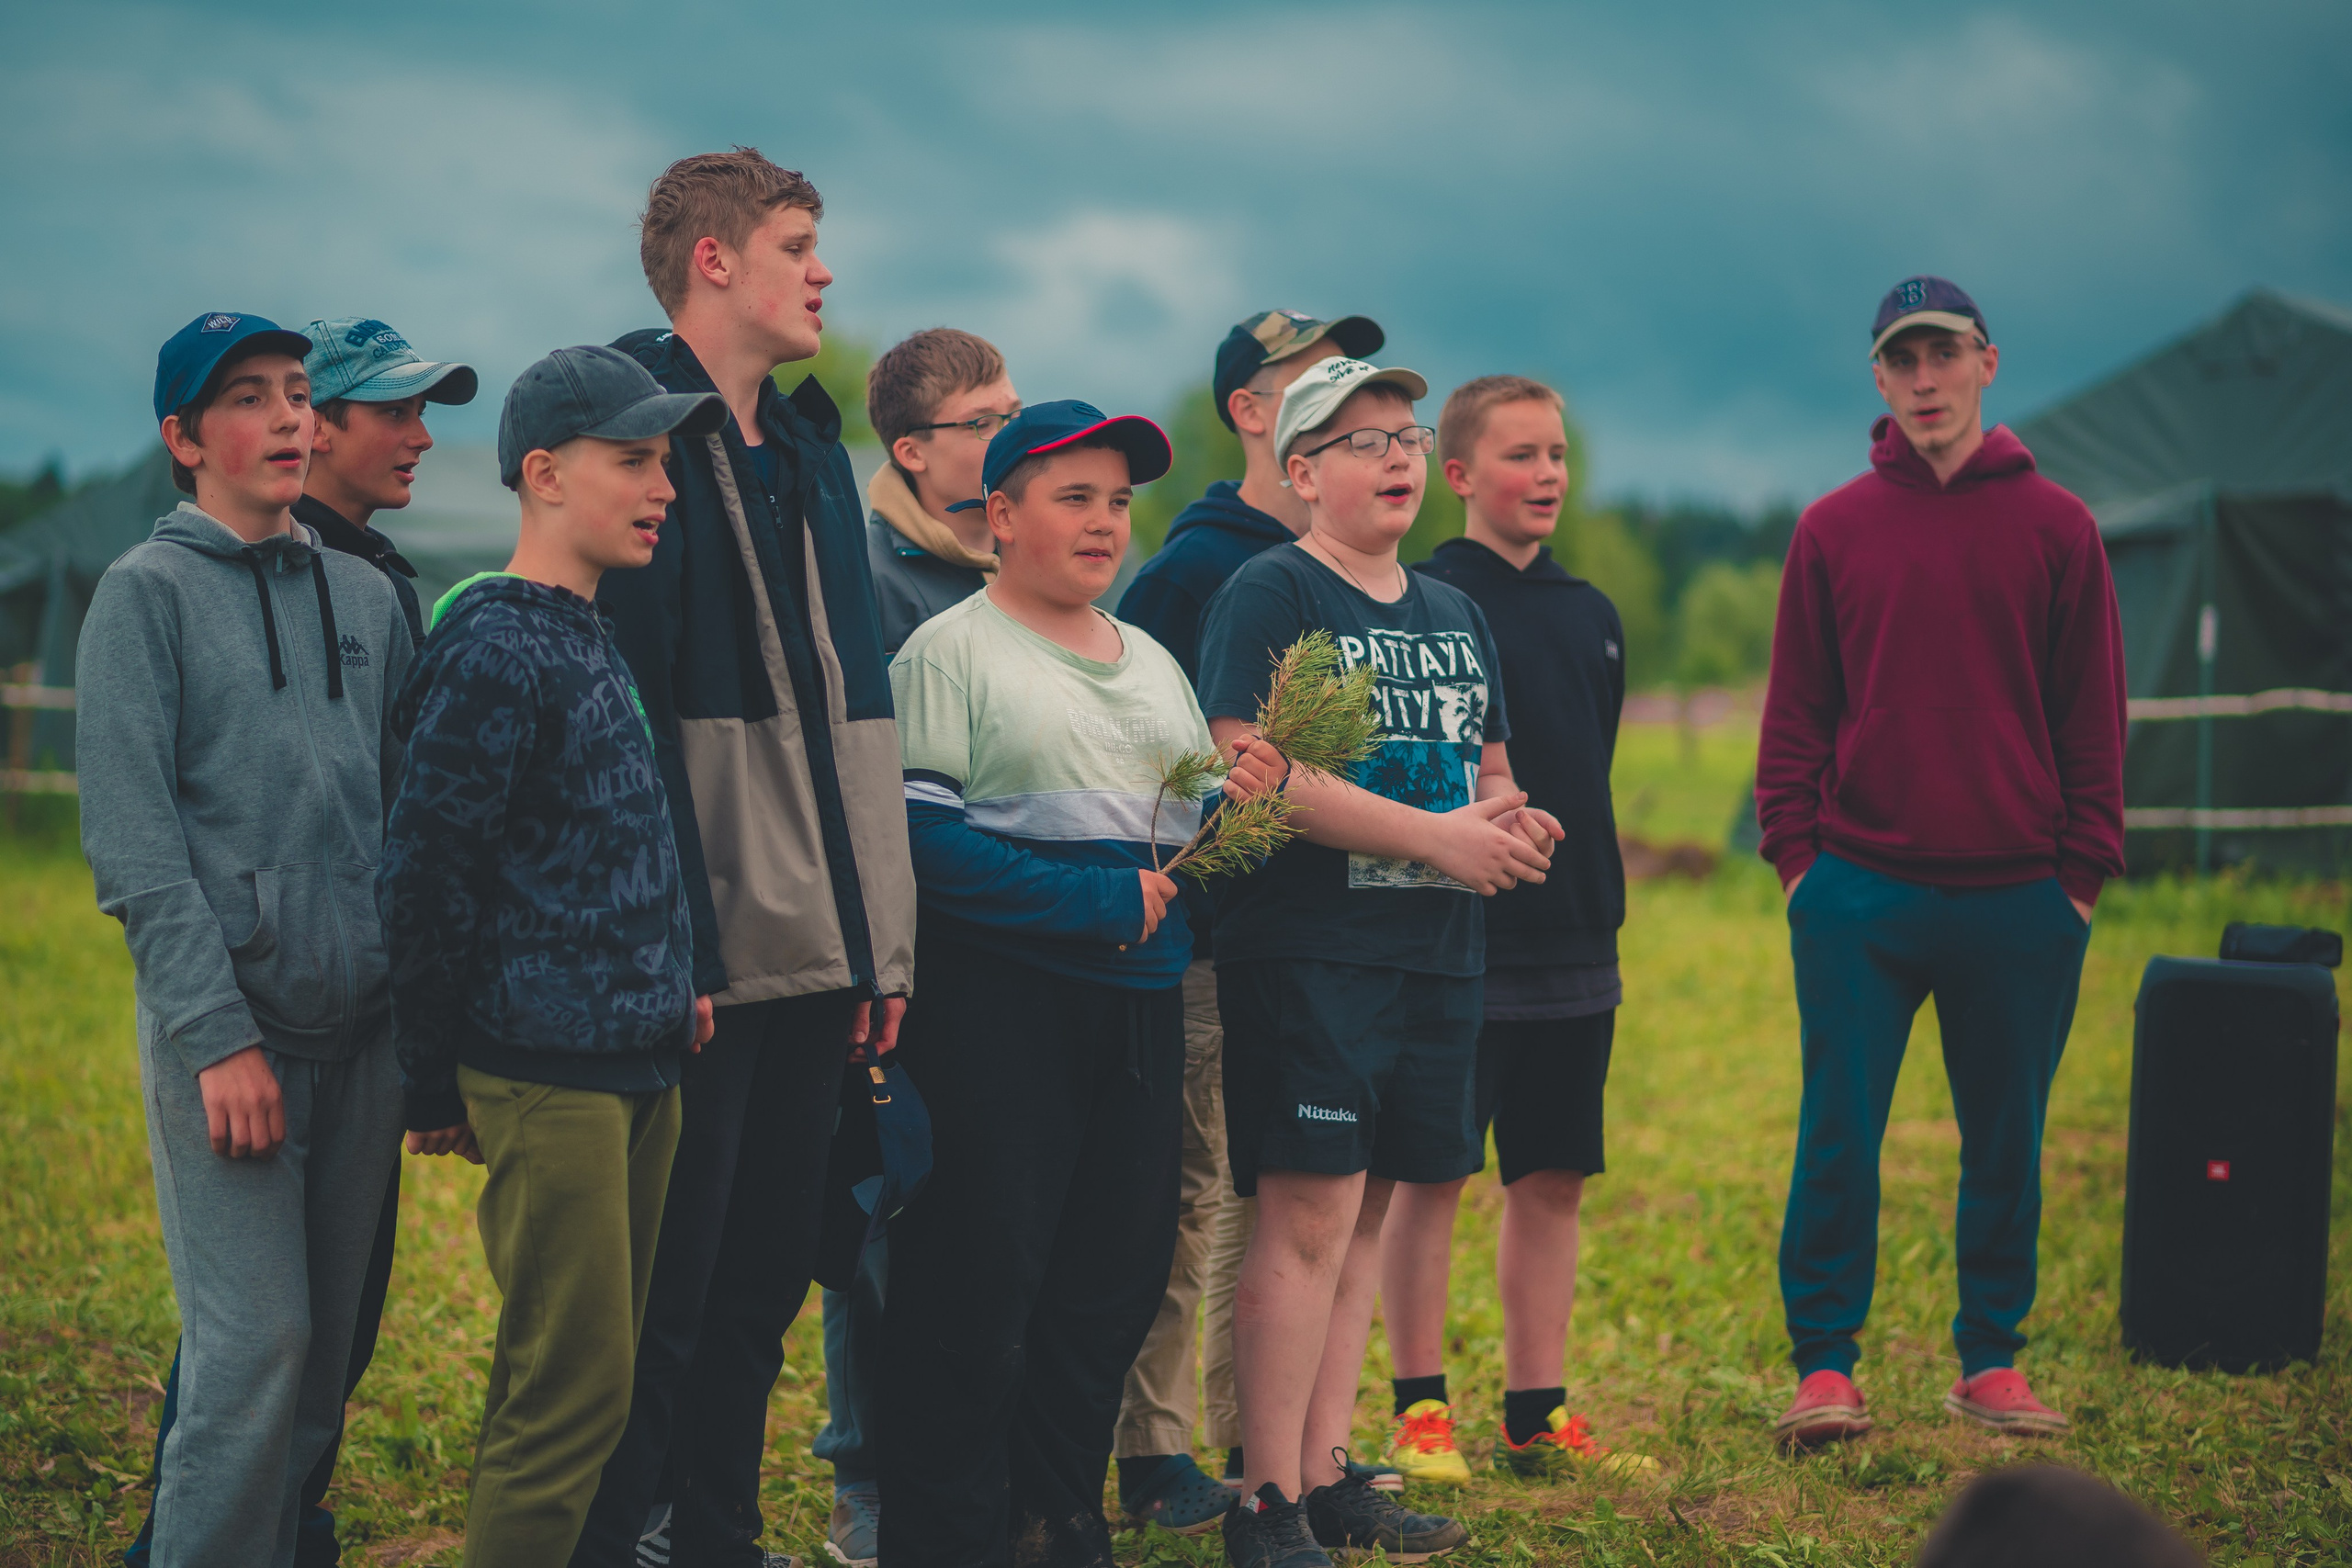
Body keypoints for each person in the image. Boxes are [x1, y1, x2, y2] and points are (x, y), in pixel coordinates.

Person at [573, 148, 917, 1568]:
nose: (822, 272)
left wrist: (876, 941)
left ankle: (716, 1536)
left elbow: (856, 712)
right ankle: (616, 1538)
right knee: (670, 1287)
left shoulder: (815, 447)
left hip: (821, 950)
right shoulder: (627, 429)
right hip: (699, 952)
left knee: (773, 1270)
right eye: (796, 245)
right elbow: (629, 717)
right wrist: (679, 947)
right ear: (715, 261)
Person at [873, 400, 1287, 1568]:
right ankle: (947, 1537)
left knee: (1106, 1284)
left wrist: (1230, 820)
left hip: (1139, 1015)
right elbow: (922, 843)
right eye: (1074, 498)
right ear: (1000, 516)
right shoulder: (949, 653)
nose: (1106, 522)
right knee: (977, 1288)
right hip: (997, 1017)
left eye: (1117, 501)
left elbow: (1185, 854)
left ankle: (1057, 1523)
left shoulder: (1152, 660)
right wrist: (1099, 906)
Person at [121, 316, 479, 1568]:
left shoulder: (370, 599)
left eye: (293, 395)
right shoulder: (142, 595)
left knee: (326, 1353)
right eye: (248, 400)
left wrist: (423, 1026)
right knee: (255, 1342)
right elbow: (136, 849)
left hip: (366, 1038)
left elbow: (405, 818)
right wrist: (220, 1039)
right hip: (235, 1040)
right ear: (182, 438)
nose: (284, 418)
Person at [1195, 356, 1560, 1568]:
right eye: (1363, 440)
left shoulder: (1456, 613)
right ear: (1302, 473)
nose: (1398, 453)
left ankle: (1323, 1471)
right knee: (1302, 1221)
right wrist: (1441, 836)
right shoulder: (1272, 589)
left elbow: (1488, 770)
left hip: (1437, 956)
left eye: (1405, 434)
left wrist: (1513, 820)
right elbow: (1253, 766)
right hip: (1313, 953)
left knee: (1365, 1223)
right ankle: (1262, 1501)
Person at [1757, 276, 2126, 1449]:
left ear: (1986, 363)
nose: (1923, 380)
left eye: (1943, 356)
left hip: (2020, 892)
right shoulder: (1833, 529)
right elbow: (1796, 716)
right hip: (1861, 889)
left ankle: (1990, 1360)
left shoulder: (2058, 526)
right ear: (1878, 379)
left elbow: (2092, 717)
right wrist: (1800, 867)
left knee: (2007, 1135)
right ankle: (1825, 1367)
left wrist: (2076, 881)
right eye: (1900, 361)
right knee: (1837, 1130)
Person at [380, 346, 725, 1565]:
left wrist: (672, 981)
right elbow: (425, 877)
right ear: (541, 473)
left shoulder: (589, 634)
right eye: (633, 461)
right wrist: (432, 1077)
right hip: (547, 1070)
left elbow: (612, 849)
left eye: (665, 463)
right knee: (569, 1395)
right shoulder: (491, 645)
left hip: (638, 1064)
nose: (662, 487)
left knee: (589, 1381)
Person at [1111, 310, 1387, 1529]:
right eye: (1308, 382)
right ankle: (1159, 1447)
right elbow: (1150, 762)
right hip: (1211, 931)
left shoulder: (1350, 566)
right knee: (1197, 1184)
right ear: (1251, 411)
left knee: (1285, 1192)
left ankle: (1263, 1446)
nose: (1338, 399)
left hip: (1328, 935)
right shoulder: (1193, 568)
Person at [1381, 374, 1656, 1483]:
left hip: (1580, 937)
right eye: (1520, 456)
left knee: (1550, 1177)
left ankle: (1535, 1412)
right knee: (1432, 1176)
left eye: (1556, 456)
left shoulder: (1592, 614)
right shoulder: (1424, 600)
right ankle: (1420, 1412)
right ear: (1456, 475)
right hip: (1464, 936)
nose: (1546, 475)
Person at [862, 326, 1019, 655]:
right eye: (983, 423)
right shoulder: (862, 579)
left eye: (1014, 416)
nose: (1012, 438)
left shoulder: (1045, 553)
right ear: (913, 453)